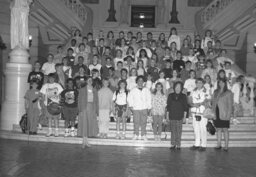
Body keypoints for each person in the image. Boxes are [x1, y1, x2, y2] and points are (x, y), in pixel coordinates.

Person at [212, 78, 233, 151]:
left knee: (225, 129)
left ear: (225, 83)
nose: (221, 84)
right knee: (218, 129)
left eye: (222, 82)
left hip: (224, 113)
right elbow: (213, 103)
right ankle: (218, 144)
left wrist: (228, 115)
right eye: (219, 82)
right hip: (216, 112)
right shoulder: (215, 92)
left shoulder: (228, 92)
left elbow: (230, 105)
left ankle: (226, 146)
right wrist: (212, 112)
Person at [128, 76, 152, 140]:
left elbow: (149, 98)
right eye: (139, 80)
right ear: (137, 82)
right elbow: (130, 98)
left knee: (144, 122)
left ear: (143, 82)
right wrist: (131, 106)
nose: (140, 82)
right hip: (136, 108)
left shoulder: (146, 90)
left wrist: (149, 107)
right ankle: (136, 134)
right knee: (136, 122)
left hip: (144, 108)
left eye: (142, 81)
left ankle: (143, 134)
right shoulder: (133, 90)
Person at [78, 76, 99, 148]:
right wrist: (80, 110)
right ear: (86, 81)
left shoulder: (94, 90)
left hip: (91, 108)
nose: (90, 81)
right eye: (89, 80)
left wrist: (96, 110)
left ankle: (86, 141)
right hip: (84, 107)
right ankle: (83, 142)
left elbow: (96, 101)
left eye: (91, 80)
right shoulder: (82, 89)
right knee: (84, 124)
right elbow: (79, 100)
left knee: (89, 124)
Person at [167, 81, 187, 149]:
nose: (177, 88)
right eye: (176, 87)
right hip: (172, 115)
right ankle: (173, 144)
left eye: (179, 87)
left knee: (178, 130)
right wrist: (167, 116)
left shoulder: (183, 96)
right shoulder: (170, 95)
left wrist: (184, 117)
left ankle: (178, 144)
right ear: (174, 87)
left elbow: (185, 107)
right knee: (173, 130)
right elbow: (168, 106)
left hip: (180, 115)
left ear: (181, 88)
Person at [189, 78, 208, 151]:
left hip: (202, 111)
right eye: (197, 83)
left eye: (200, 83)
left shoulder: (206, 90)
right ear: (196, 83)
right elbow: (189, 100)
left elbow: (208, 100)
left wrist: (200, 103)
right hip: (195, 111)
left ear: (203, 83)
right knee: (196, 128)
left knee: (203, 128)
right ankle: (197, 144)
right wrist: (193, 104)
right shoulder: (193, 91)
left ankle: (203, 145)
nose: (199, 84)